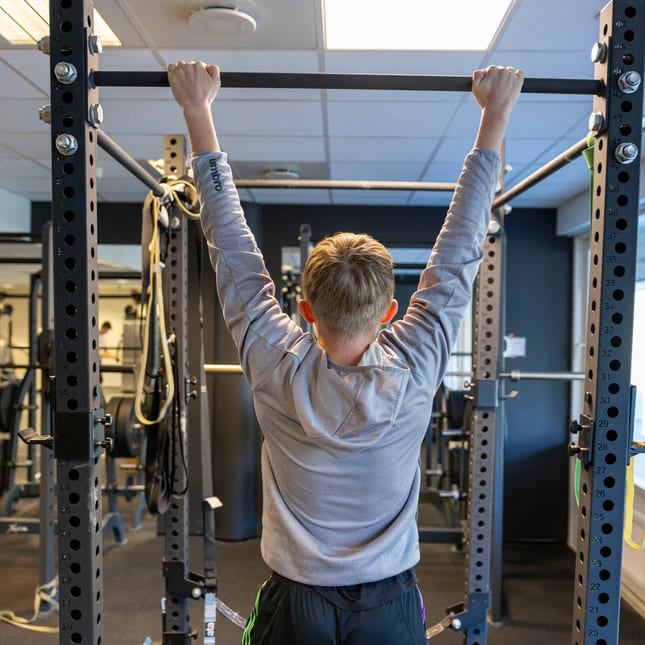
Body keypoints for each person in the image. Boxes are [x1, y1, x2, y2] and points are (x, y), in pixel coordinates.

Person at [167, 61, 523, 645]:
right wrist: (495, 118)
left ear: (303, 309)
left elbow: (230, 246)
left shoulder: (274, 360)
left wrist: (197, 113)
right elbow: (460, 251)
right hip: (390, 601)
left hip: (296, 600)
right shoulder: (417, 362)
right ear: (389, 312)